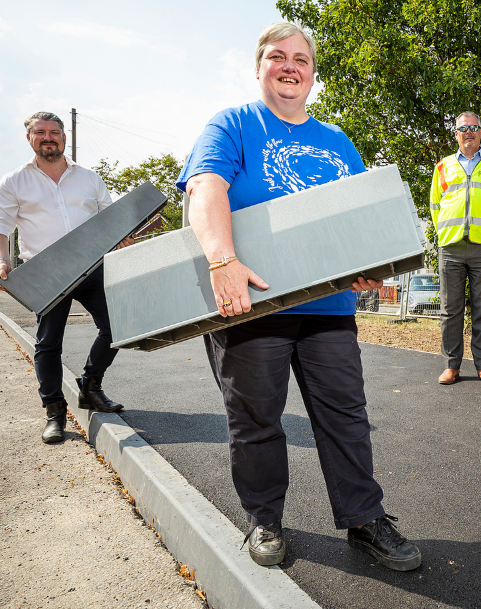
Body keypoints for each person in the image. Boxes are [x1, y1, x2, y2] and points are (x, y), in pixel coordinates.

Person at [175, 22, 421, 572]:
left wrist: (365, 268)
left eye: (301, 59)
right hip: (253, 305)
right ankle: (265, 519)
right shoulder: (232, 125)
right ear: (259, 67)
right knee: (256, 419)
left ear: (312, 73)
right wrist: (222, 259)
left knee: (346, 418)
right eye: (277, 57)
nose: (290, 66)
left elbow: (357, 219)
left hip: (328, 311)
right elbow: (205, 188)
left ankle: (363, 518)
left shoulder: (337, 141)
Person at [0, 112, 132, 445]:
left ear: (64, 138)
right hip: (46, 271)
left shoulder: (90, 178)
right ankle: (54, 413)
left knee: (117, 325)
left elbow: (110, 220)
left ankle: (90, 387)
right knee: (48, 343)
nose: (48, 137)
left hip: (92, 267)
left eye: (54, 132)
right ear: (30, 139)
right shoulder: (14, 181)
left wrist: (121, 236)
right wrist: (1, 260)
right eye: (40, 132)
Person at [430, 112, 481, 386]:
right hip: (451, 248)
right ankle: (451, 366)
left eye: (474, 127)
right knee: (450, 310)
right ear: (455, 133)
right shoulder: (442, 167)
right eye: (463, 128)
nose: (468, 132)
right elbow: (434, 207)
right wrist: (444, 234)